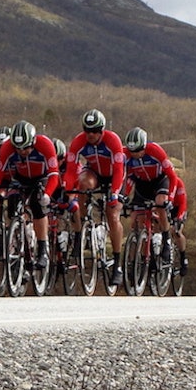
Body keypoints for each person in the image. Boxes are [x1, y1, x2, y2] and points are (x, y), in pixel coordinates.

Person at [0, 120, 59, 268]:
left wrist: (47, 194)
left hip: (40, 179)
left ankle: (43, 249)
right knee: (12, 207)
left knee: (37, 206)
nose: (22, 151)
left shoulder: (45, 145)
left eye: (26, 148)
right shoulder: (7, 148)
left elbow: (54, 174)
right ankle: (17, 243)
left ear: (33, 141)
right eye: (18, 148)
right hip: (20, 179)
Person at [64, 109, 127, 287]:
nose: (90, 134)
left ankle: (117, 264)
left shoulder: (112, 140)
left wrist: (114, 193)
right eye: (87, 130)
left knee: (112, 215)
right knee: (82, 185)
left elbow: (119, 170)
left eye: (95, 131)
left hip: (114, 175)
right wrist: (70, 193)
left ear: (102, 130)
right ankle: (82, 227)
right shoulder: (78, 141)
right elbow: (70, 171)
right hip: (95, 172)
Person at [120, 127, 186, 274]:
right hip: (142, 184)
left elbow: (172, 176)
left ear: (144, 146)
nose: (135, 155)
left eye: (138, 151)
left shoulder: (156, 151)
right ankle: (143, 255)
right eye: (132, 152)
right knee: (137, 217)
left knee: (161, 203)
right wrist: (124, 196)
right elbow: (128, 179)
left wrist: (170, 198)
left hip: (159, 181)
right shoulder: (126, 154)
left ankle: (166, 238)